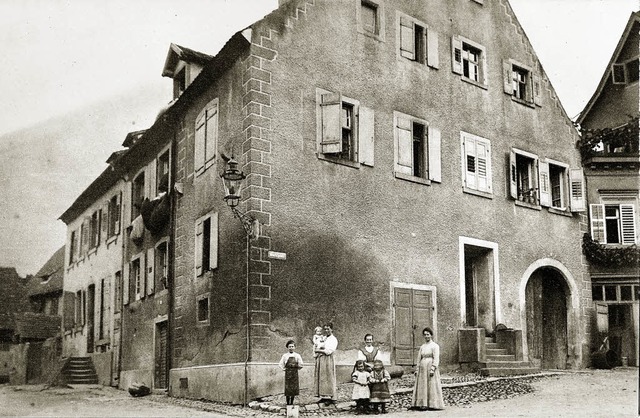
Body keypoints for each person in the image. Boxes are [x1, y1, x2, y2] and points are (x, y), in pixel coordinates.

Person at [411, 327, 444, 410]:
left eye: (428, 334)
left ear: (431, 335)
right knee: (422, 385)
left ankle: (432, 404)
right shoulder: (422, 346)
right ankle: (422, 403)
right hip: (422, 368)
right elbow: (419, 358)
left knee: (431, 384)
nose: (426, 336)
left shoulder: (435, 346)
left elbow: (436, 358)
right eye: (425, 335)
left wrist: (433, 368)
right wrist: (417, 369)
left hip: (430, 367)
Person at [314, 322, 338, 404]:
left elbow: (329, 351)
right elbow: (317, 344)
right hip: (321, 359)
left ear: (332, 329)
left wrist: (319, 350)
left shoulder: (333, 339)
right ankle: (323, 396)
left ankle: (330, 396)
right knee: (322, 378)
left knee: (328, 377)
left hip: (328, 359)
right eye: (325, 329)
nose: (327, 330)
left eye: (328, 329)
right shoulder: (323, 338)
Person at [279, 340, 303, 406]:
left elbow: (301, 364)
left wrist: (296, 367)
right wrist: (285, 369)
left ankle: (292, 402)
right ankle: (287, 403)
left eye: (292, 346)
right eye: (289, 346)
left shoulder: (297, 355)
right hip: (288, 374)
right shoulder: (285, 356)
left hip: (295, 374)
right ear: (287, 347)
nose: (291, 348)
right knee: (288, 388)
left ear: (294, 347)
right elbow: (280, 364)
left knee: (293, 389)